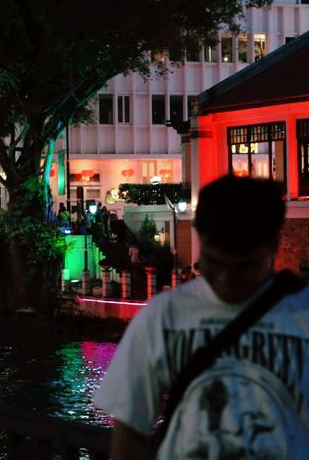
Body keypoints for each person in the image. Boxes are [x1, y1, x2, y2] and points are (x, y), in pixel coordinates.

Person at [94, 174, 309, 460]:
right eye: (213, 263)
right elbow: (130, 430)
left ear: (272, 246)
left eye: (244, 267)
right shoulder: (163, 317)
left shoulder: (303, 313)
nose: (226, 279)